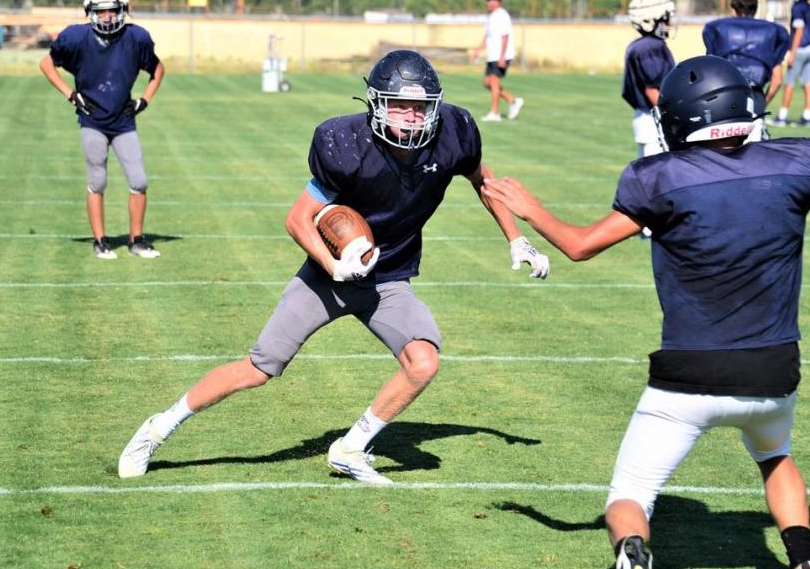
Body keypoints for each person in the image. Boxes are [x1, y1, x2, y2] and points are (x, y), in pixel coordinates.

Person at [482, 56, 810, 569]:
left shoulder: (657, 177)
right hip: (772, 374)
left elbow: (578, 245)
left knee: (629, 494)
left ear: (678, 118)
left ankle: (633, 557)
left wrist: (528, 208)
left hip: (686, 380)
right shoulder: (798, 160)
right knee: (775, 456)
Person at [118, 50, 551, 483]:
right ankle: (156, 429)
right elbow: (297, 217)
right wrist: (333, 263)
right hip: (328, 278)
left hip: (389, 277)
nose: (412, 117)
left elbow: (485, 181)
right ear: (376, 104)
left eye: (419, 107)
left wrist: (516, 238)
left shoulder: (454, 133)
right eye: (399, 105)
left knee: (423, 362)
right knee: (258, 368)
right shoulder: (345, 143)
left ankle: (350, 449)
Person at [39, 0, 165, 260]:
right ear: (90, 12)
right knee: (97, 180)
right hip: (92, 118)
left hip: (123, 120)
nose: (107, 16)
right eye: (101, 10)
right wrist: (70, 94)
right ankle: (100, 241)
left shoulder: (136, 38)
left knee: (139, 179)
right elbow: (46, 63)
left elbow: (158, 69)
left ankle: (137, 240)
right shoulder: (76, 37)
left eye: (113, 10)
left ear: (123, 9)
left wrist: (144, 99)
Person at [702, 0, 790, 141]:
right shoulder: (773, 31)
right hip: (754, 99)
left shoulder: (716, 28)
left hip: (723, 103)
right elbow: (777, 80)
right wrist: (762, 103)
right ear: (755, 10)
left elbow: (710, 72)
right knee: (753, 156)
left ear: (733, 9)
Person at [623, 0, 676, 159]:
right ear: (649, 21)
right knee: (658, 178)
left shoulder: (640, 45)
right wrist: (672, 117)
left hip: (646, 119)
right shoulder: (651, 47)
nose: (668, 23)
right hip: (654, 120)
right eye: (665, 18)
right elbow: (652, 89)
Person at [771, 0, 810, 127]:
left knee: (789, 83)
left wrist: (792, 53)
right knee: (808, 83)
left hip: (800, 48)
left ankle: (782, 117)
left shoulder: (798, 8)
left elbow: (799, 30)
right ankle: (807, 116)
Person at [470, 0, 524, 122]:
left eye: (492, 0)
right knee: (487, 83)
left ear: (498, 1)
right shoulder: (489, 16)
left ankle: (495, 113)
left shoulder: (502, 15)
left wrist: (502, 56)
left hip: (501, 55)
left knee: (494, 83)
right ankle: (513, 100)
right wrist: (477, 50)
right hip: (492, 56)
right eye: (488, 0)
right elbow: (487, 37)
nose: (489, 3)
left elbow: (505, 36)